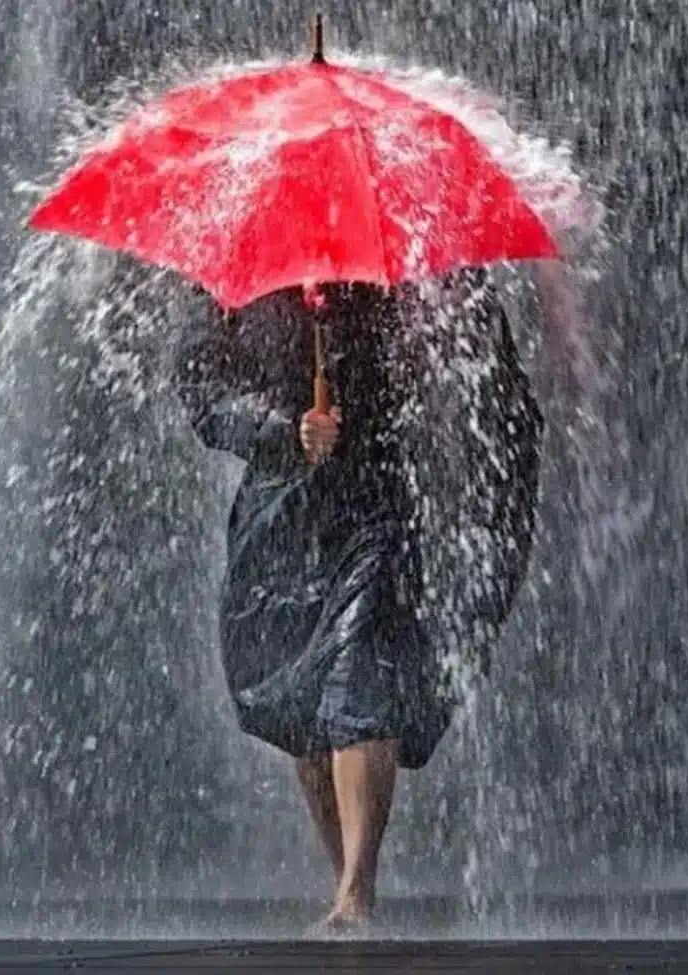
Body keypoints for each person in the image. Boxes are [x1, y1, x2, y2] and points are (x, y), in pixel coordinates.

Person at [172, 269, 541, 931]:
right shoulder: (228, 276)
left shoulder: (398, 260)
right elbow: (201, 389)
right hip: (280, 518)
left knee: (361, 675)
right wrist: (284, 429)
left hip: (375, 499)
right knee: (302, 702)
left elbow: (472, 362)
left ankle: (355, 890)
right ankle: (344, 876)